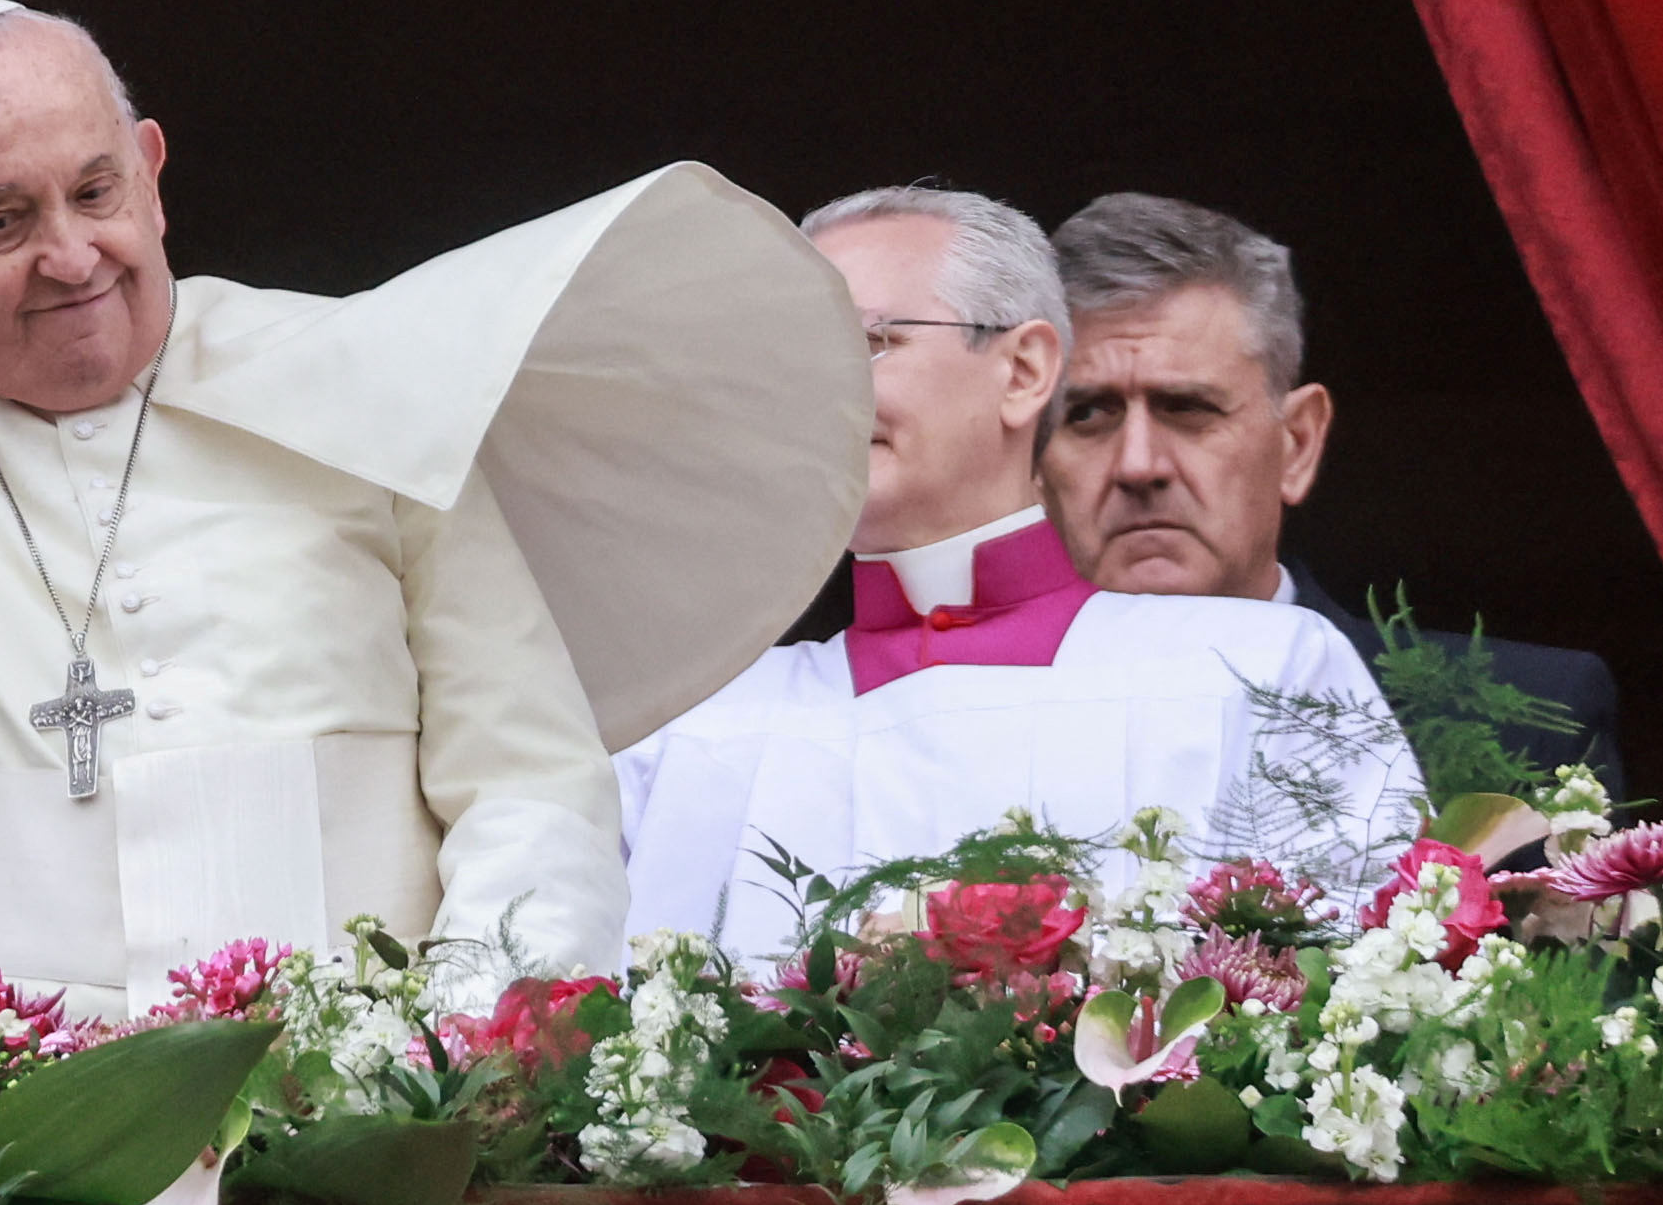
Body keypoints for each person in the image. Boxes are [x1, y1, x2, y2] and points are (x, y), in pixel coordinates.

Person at [0, 0, 868, 1014]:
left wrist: (454, 1061)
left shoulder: (363, 392)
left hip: (350, 1178)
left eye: (95, 191)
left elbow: (526, 786)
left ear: (153, 172)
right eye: (0, 223)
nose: (72, 255)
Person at [616, 186, 1415, 966]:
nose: (821, 391)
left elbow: (1368, 1002)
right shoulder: (681, 730)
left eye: (868, 342)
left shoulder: (1265, 671)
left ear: (1024, 370)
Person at [1044, 189, 1623, 798]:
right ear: (1030, 463)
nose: (1139, 465)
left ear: (1297, 443)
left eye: (1188, 409)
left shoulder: (1526, 728)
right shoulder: (973, 727)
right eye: (1088, 414)